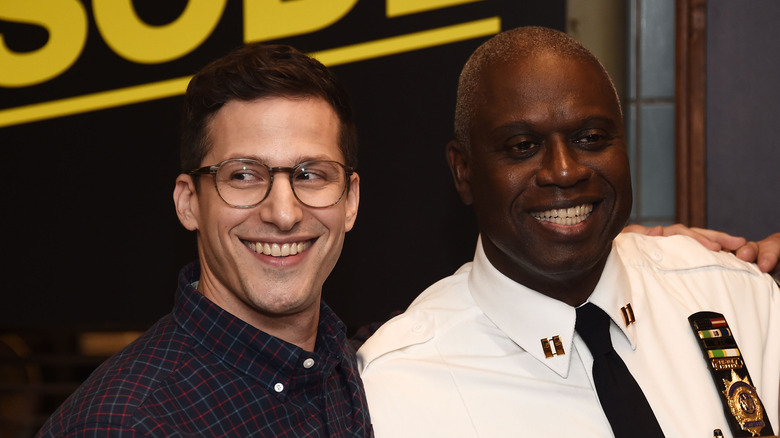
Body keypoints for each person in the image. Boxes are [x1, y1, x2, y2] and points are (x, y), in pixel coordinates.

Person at [358, 26, 780, 437]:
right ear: (463, 171)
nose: (564, 170)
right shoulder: (401, 383)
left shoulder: (737, 297)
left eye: (591, 137)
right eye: (522, 146)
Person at [37, 43, 371, 437]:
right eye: (244, 175)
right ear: (189, 202)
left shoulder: (356, 369)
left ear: (349, 201)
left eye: (310, 174)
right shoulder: (123, 426)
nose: (284, 214)